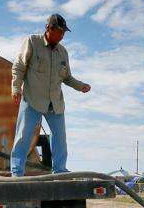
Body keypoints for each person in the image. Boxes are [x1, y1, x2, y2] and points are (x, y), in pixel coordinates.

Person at [10, 13, 91, 176]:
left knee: (60, 138)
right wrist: (16, 88)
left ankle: (60, 171)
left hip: (55, 103)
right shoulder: (32, 41)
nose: (62, 36)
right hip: (32, 100)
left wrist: (80, 86)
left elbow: (66, 77)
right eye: (59, 32)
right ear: (49, 29)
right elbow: (19, 67)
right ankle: (17, 172)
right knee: (23, 137)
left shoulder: (63, 52)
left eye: (64, 33)